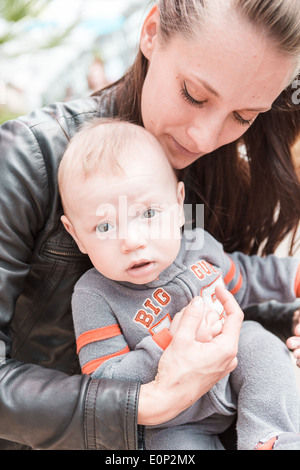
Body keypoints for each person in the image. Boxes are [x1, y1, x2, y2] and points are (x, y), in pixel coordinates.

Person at [0, 0, 299, 450]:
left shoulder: (216, 175)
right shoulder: (27, 158)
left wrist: (289, 325)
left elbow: (228, 296)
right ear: (152, 32)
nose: (204, 137)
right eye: (194, 95)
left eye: (243, 116)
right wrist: (150, 401)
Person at [59, 118, 300, 451]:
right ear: (76, 235)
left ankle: (269, 438)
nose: (132, 241)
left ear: (178, 204)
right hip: (176, 418)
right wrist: (166, 340)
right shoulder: (94, 295)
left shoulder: (199, 245)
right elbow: (105, 383)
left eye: (148, 214)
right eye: (104, 227)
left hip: (235, 361)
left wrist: (293, 278)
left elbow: (245, 278)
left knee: (263, 350)